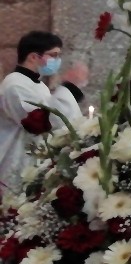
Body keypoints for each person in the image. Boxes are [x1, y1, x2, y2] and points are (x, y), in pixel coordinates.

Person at [0, 32, 87, 190]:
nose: (57, 61)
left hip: (34, 158)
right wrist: (70, 87)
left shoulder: (37, 85)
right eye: (54, 55)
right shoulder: (15, 84)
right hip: (18, 160)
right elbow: (38, 122)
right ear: (33, 57)